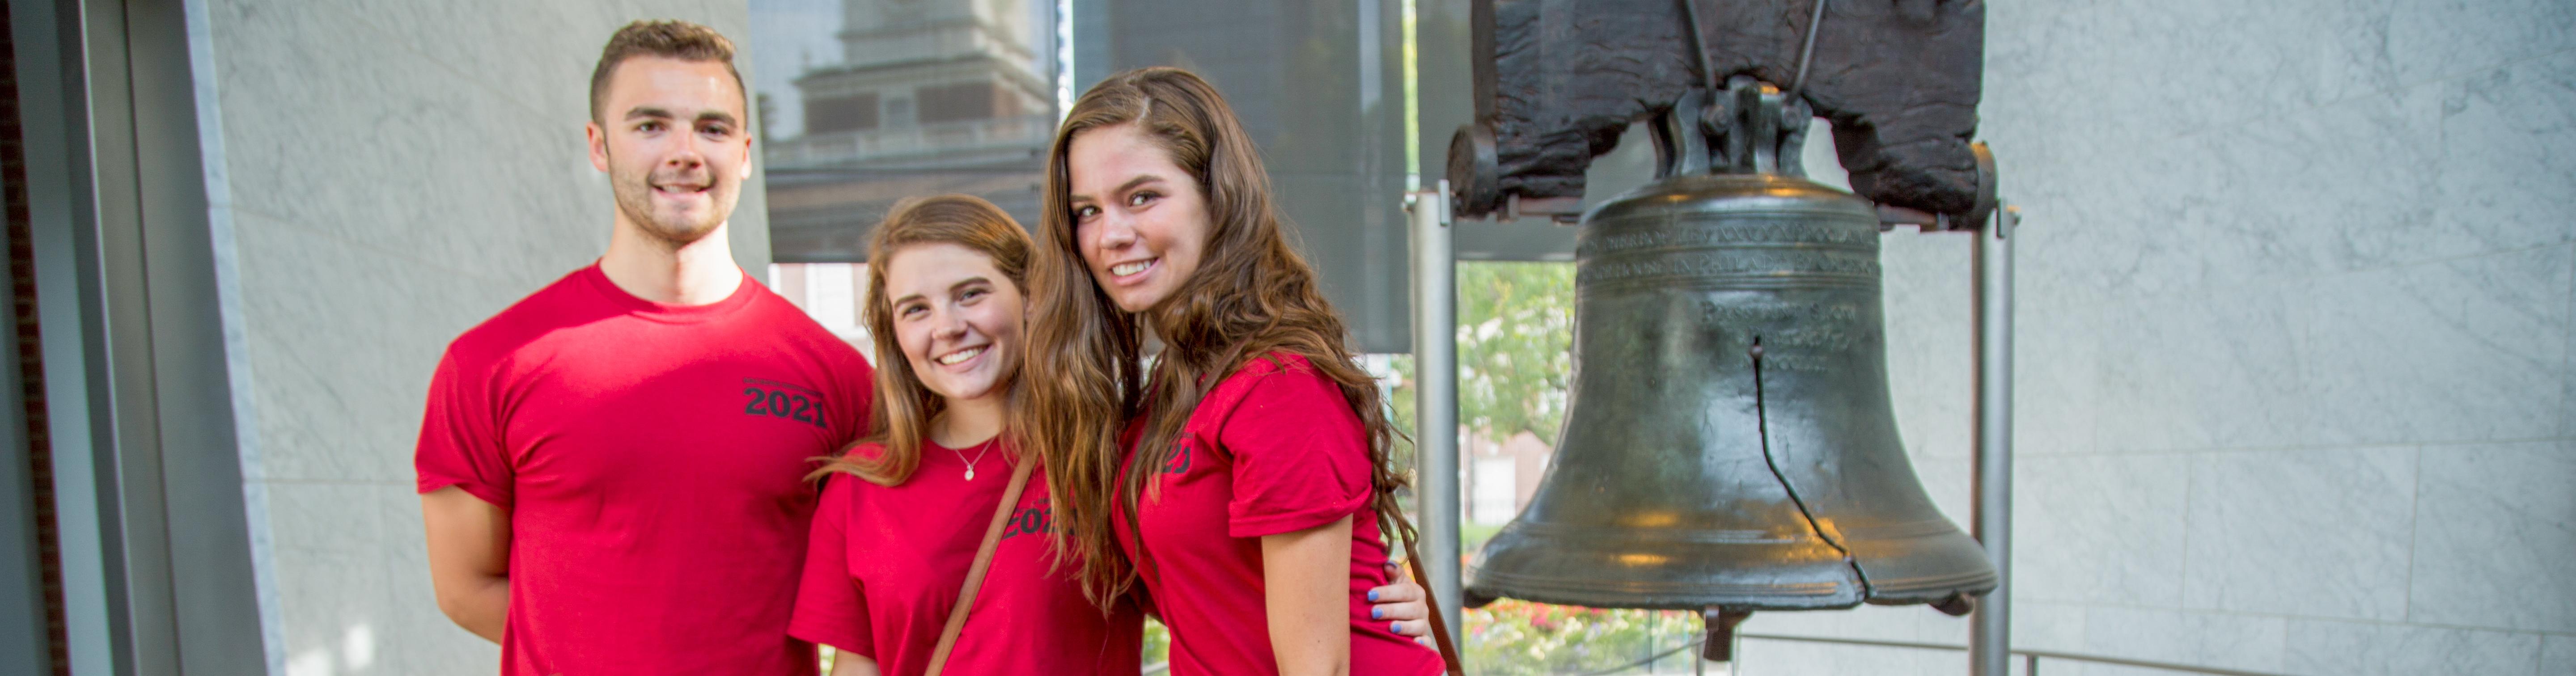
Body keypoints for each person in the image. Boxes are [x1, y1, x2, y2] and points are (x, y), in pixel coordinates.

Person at [791, 195, 1433, 676]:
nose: (948, 327)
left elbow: (1218, 592)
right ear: (895, 334)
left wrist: (1379, 616)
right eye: (916, 310)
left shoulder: (1108, 456)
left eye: (971, 295)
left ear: (1032, 299)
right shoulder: (860, 487)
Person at [414, 21, 872, 675]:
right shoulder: (491, 363)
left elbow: (871, 585)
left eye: (711, 129)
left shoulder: (837, 376)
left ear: (744, 152)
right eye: (651, 125)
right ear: (599, 146)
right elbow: (465, 587)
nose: (685, 152)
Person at [1018, 68, 1447, 676]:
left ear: (1216, 197)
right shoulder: (1178, 385)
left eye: (1143, 197)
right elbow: (1213, 602)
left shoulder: (1278, 384)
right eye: (1087, 210)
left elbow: (1315, 670)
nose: (1111, 234)